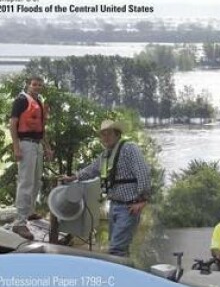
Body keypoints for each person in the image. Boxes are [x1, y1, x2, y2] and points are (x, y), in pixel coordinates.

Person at [63, 119, 151, 257]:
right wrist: (73, 178)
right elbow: (91, 170)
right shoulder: (105, 155)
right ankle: (125, 275)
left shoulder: (129, 148)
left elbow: (143, 172)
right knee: (118, 247)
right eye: (103, 134)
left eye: (109, 133)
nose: (105, 137)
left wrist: (143, 199)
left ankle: (116, 276)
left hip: (129, 207)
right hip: (114, 206)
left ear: (117, 134)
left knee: (116, 249)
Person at [10, 76, 53, 240]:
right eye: (34, 84)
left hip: (37, 144)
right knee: (26, 182)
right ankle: (19, 223)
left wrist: (47, 147)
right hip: (25, 144)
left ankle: (29, 212)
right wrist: (16, 147)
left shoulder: (39, 102)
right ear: (28, 85)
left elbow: (41, 128)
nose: (37, 87)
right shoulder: (21, 100)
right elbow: (13, 124)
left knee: (36, 181)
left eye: (40, 85)